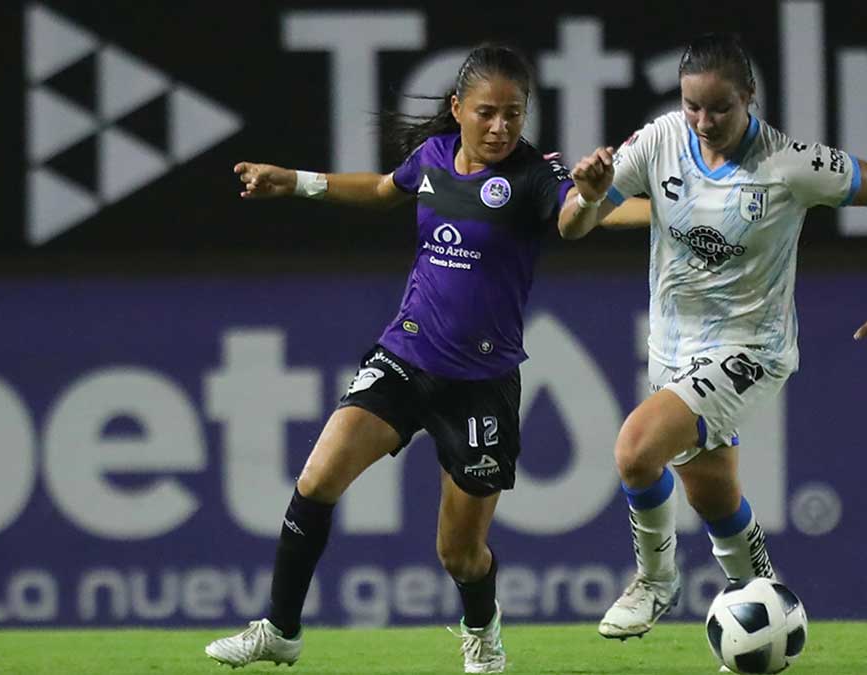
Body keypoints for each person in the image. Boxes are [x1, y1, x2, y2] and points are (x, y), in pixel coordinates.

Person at [204, 44, 644, 674]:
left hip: (481, 385)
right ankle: (280, 630)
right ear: (456, 108)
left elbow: (573, 223)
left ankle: (482, 633)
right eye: (487, 112)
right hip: (405, 357)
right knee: (316, 480)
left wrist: (594, 196)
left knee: (459, 555)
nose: (500, 127)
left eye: (513, 114)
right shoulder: (433, 158)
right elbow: (386, 190)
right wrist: (293, 182)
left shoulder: (533, 178)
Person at [558, 33, 867, 641]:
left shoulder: (789, 166)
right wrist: (592, 197)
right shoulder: (658, 143)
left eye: (720, 108)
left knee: (635, 449)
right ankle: (761, 591)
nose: (703, 121)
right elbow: (572, 226)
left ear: (749, 97)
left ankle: (655, 581)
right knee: (713, 494)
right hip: (672, 350)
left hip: (750, 350)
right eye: (692, 106)